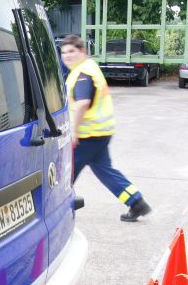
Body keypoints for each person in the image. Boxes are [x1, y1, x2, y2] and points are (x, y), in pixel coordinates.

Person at [60, 34, 151, 222]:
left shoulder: (83, 74)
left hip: (87, 135)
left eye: (71, 51)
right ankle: (136, 202)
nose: (67, 56)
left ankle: (57, 210)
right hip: (100, 133)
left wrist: (74, 132)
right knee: (105, 171)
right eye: (64, 52)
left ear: (82, 51)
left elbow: (83, 103)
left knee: (66, 175)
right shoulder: (88, 67)